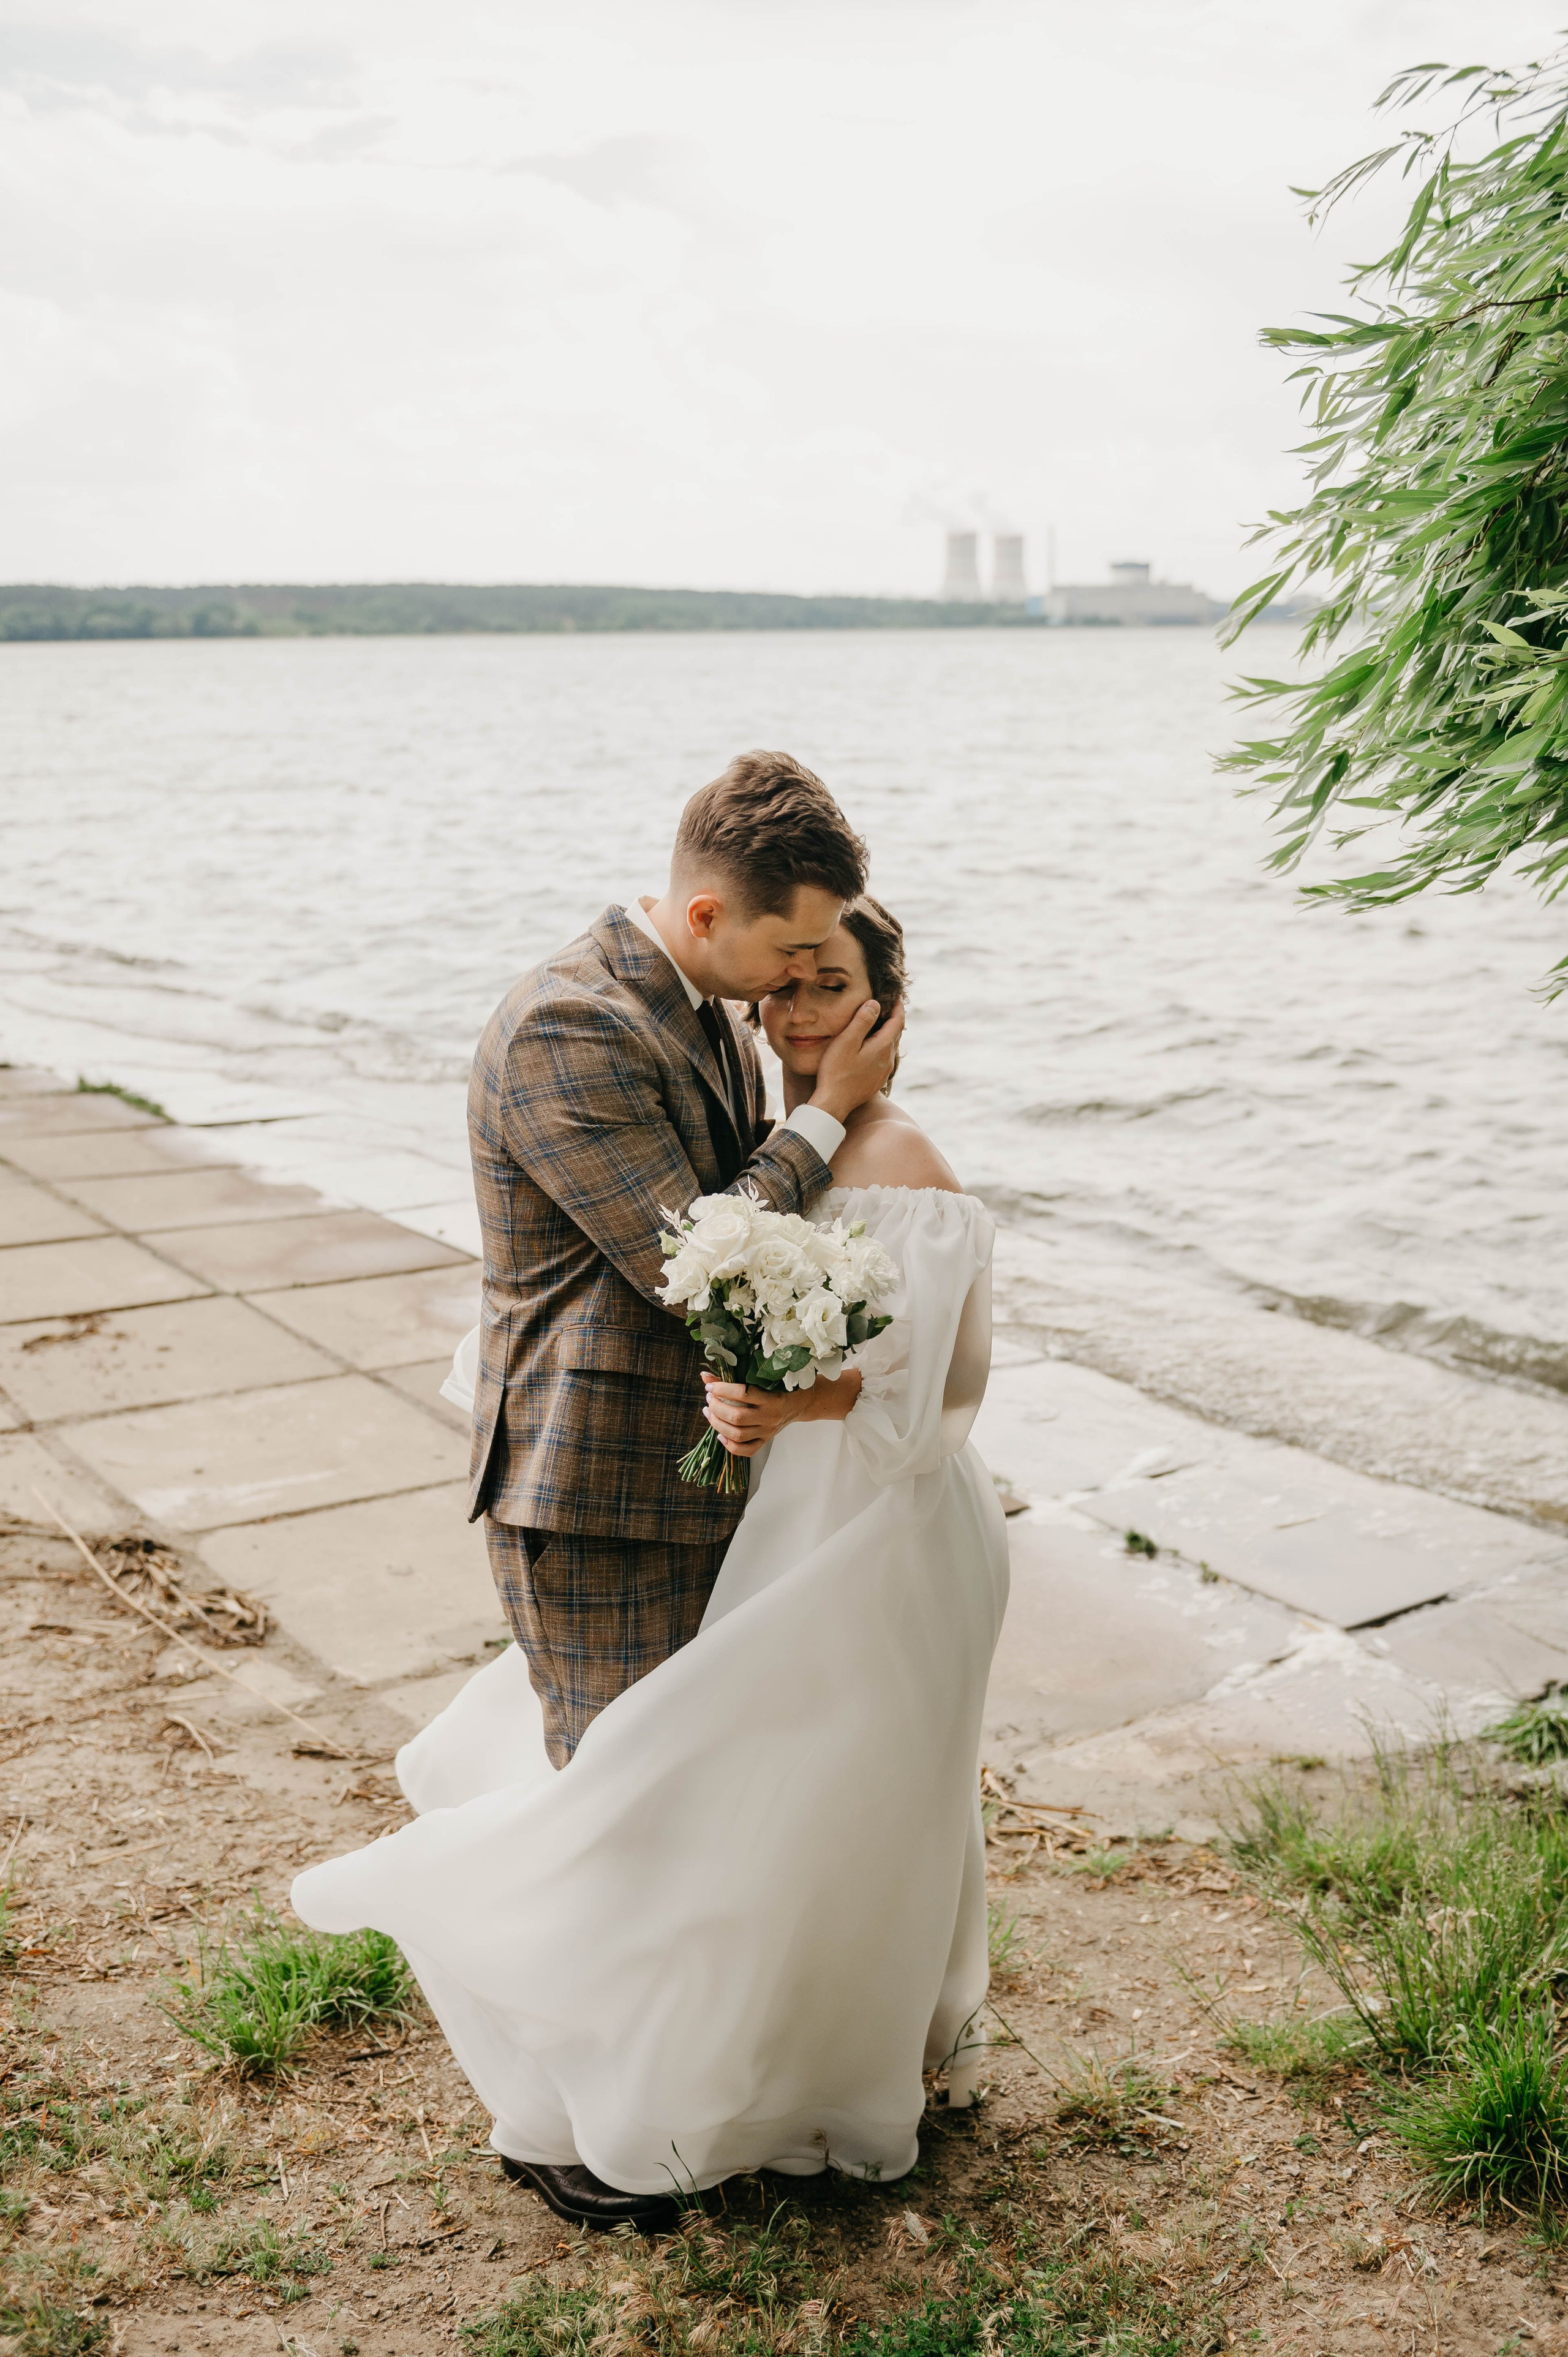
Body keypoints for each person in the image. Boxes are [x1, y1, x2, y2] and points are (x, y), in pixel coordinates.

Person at [292, 826, 1007, 2235]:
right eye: (785, 973)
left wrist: (794, 1399)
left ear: (887, 1005)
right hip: (669, 1506)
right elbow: (697, 1259)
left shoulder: (869, 1139)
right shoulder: (619, 1041)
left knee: (785, 1815)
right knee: (674, 1807)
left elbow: (926, 1377)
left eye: (827, 979)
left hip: (836, 1526)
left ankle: (749, 2075)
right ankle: (618, 2107)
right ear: (719, 924)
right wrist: (777, 1366)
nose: (790, 1004)